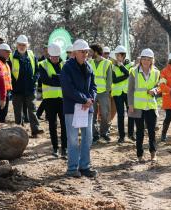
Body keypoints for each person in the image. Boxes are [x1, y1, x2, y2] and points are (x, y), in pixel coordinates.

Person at [60, 39, 97, 178]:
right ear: (74, 52)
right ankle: (72, 168)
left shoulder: (89, 66)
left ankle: (85, 166)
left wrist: (91, 98)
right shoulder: (67, 68)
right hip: (72, 109)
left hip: (87, 108)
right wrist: (84, 99)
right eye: (82, 51)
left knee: (88, 138)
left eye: (86, 51)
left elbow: (94, 86)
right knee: (73, 139)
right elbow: (68, 89)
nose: (85, 54)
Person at [128, 48, 160, 162]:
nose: (146, 61)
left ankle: (153, 153)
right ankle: (140, 155)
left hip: (151, 105)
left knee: (152, 131)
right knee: (140, 131)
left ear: (152, 60)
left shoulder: (156, 72)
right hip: (138, 106)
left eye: (148, 59)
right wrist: (130, 104)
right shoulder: (133, 71)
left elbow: (158, 86)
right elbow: (130, 90)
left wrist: (155, 91)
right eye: (144, 59)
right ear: (140, 60)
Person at [9, 35, 43, 137]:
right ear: (17, 45)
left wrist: (34, 80)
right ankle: (19, 131)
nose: (22, 47)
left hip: (30, 88)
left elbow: (37, 70)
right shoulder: (11, 57)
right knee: (17, 111)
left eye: (24, 45)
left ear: (27, 45)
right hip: (17, 89)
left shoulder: (32, 55)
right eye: (20, 45)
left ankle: (35, 130)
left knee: (32, 109)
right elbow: (9, 72)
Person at [39, 43, 67, 158]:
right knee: (52, 124)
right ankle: (55, 148)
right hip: (49, 100)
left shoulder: (65, 64)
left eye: (57, 57)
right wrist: (59, 78)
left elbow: (66, 80)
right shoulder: (43, 64)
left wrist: (54, 77)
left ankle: (64, 149)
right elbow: (45, 80)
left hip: (63, 99)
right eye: (53, 57)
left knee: (64, 124)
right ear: (49, 55)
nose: (55, 59)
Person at [111, 46, 135, 143]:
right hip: (117, 93)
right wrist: (125, 75)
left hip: (128, 93)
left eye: (118, 55)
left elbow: (129, 74)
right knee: (120, 115)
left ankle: (130, 134)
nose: (116, 57)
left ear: (123, 55)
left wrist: (121, 66)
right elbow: (114, 80)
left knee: (131, 113)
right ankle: (121, 136)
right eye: (116, 55)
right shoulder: (112, 66)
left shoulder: (131, 65)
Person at [89, 44, 112, 143]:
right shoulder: (89, 62)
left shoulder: (107, 63)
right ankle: (95, 135)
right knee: (92, 114)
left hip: (103, 93)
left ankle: (104, 133)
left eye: (91, 51)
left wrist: (107, 91)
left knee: (105, 114)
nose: (89, 53)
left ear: (96, 52)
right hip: (92, 92)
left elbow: (109, 78)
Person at [0, 44, 12, 123]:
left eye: (9, 52)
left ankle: (0, 129)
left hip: (6, 92)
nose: (9, 54)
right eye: (7, 52)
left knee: (3, 113)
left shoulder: (6, 63)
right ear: (1, 52)